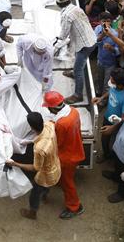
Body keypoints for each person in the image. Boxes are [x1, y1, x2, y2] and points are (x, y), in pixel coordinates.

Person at [5, 111, 61, 220]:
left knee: (35, 192)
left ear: (31, 127)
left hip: (44, 175)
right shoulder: (49, 126)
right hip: (55, 166)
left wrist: (15, 164)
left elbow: (35, 168)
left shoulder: (39, 149)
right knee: (47, 186)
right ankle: (45, 197)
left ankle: (32, 213)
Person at [43, 91, 85, 219]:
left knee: (67, 183)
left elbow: (58, 143)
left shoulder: (61, 124)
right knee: (67, 178)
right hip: (76, 149)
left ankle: (75, 207)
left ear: (52, 108)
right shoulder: (73, 111)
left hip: (67, 157)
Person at [56, 0, 96, 105]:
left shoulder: (66, 15)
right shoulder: (76, 8)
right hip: (91, 39)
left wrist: (56, 43)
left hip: (84, 45)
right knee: (78, 62)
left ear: (58, 4)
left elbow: (63, 34)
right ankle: (74, 72)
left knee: (79, 69)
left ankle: (78, 95)